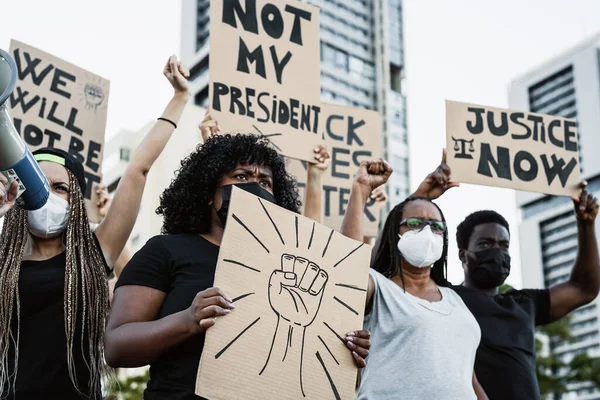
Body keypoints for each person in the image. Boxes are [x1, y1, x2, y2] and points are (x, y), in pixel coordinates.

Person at [104, 133, 373, 400]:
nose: (255, 187)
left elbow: (328, 384)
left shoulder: (296, 274)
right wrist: (186, 320)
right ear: (209, 193)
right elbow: (116, 346)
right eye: (241, 177)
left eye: (265, 182)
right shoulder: (165, 251)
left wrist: (345, 354)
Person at [0, 54, 191, 399]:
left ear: (77, 204)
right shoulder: (3, 262)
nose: (48, 198)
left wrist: (179, 99)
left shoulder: (94, 250)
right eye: (37, 185)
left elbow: (138, 170)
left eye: (60, 189)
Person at [411, 151, 600, 400]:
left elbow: (584, 288)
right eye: (485, 244)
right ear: (463, 255)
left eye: (504, 245)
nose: (497, 252)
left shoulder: (525, 304)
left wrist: (586, 225)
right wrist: (421, 197)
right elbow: (388, 263)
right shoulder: (443, 298)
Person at [341, 159, 488, 399]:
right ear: (394, 234)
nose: (427, 232)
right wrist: (360, 189)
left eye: (437, 226)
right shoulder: (379, 288)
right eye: (415, 224)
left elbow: (465, 376)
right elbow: (347, 268)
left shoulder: (454, 299)